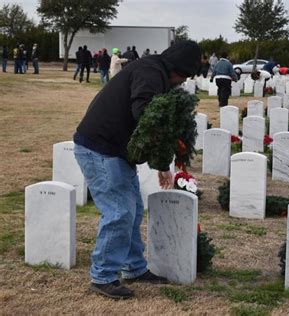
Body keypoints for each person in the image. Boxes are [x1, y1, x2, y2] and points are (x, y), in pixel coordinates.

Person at [73, 40, 202, 300]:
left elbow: (151, 119)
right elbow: (146, 114)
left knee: (131, 211)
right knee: (119, 211)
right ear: (175, 66)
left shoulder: (155, 71)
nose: (182, 81)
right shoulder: (150, 72)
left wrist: (164, 160)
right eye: (184, 75)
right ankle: (103, 276)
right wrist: (162, 162)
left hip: (115, 151)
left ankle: (133, 267)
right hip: (100, 148)